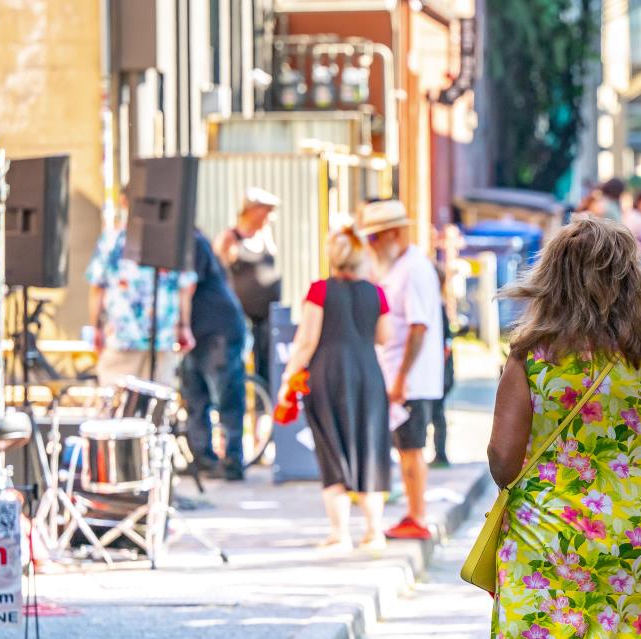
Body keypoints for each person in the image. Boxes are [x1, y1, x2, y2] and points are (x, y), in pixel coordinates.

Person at [486, 216, 641, 637]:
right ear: (630, 282)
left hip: (542, 533)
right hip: (631, 538)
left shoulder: (529, 357)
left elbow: (502, 461)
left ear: (552, 279)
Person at [278, 227, 394, 551]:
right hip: (368, 374)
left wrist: (288, 377)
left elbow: (306, 340)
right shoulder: (377, 293)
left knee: (331, 448)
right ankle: (374, 531)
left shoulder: (319, 291)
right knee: (370, 446)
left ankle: (339, 533)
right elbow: (384, 337)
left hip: (327, 374)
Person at [358, 200, 445, 542]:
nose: (371, 246)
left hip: (410, 379)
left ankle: (417, 514)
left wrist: (400, 379)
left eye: (375, 238)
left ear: (393, 234)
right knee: (405, 448)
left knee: (411, 449)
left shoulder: (414, 268)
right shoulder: (396, 266)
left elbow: (418, 327)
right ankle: (413, 511)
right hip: (400, 373)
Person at [87, 214, 198, 387]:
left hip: (131, 335)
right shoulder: (172, 240)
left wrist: (95, 327)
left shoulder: (113, 240)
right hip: (147, 335)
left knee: (119, 403)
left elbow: (97, 286)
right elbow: (185, 288)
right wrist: (184, 327)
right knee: (154, 402)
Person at [180, 226, 251, 480]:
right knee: (196, 399)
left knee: (226, 397)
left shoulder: (193, 243)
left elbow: (187, 287)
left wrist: (182, 325)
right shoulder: (191, 243)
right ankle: (204, 459)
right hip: (200, 332)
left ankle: (232, 459)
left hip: (217, 330)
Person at [216, 187, 283, 386]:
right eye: (266, 211)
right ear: (253, 210)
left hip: (266, 316)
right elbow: (217, 273)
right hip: (240, 315)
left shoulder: (265, 235)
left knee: (267, 366)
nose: (269, 217)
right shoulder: (230, 238)